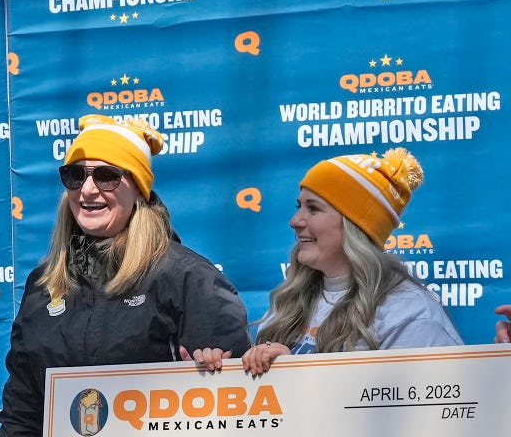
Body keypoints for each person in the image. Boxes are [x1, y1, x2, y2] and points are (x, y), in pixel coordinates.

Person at [0, 115, 252, 437]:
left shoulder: (185, 276)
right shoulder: (44, 285)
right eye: (76, 175)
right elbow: (23, 410)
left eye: (107, 175)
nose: (88, 190)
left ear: (137, 188)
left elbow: (241, 412)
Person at [191, 148, 462, 377]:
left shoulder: (409, 313)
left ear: (355, 226)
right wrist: (223, 369)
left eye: (313, 208)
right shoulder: (291, 302)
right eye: (298, 206)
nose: (295, 221)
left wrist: (301, 373)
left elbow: (422, 417)